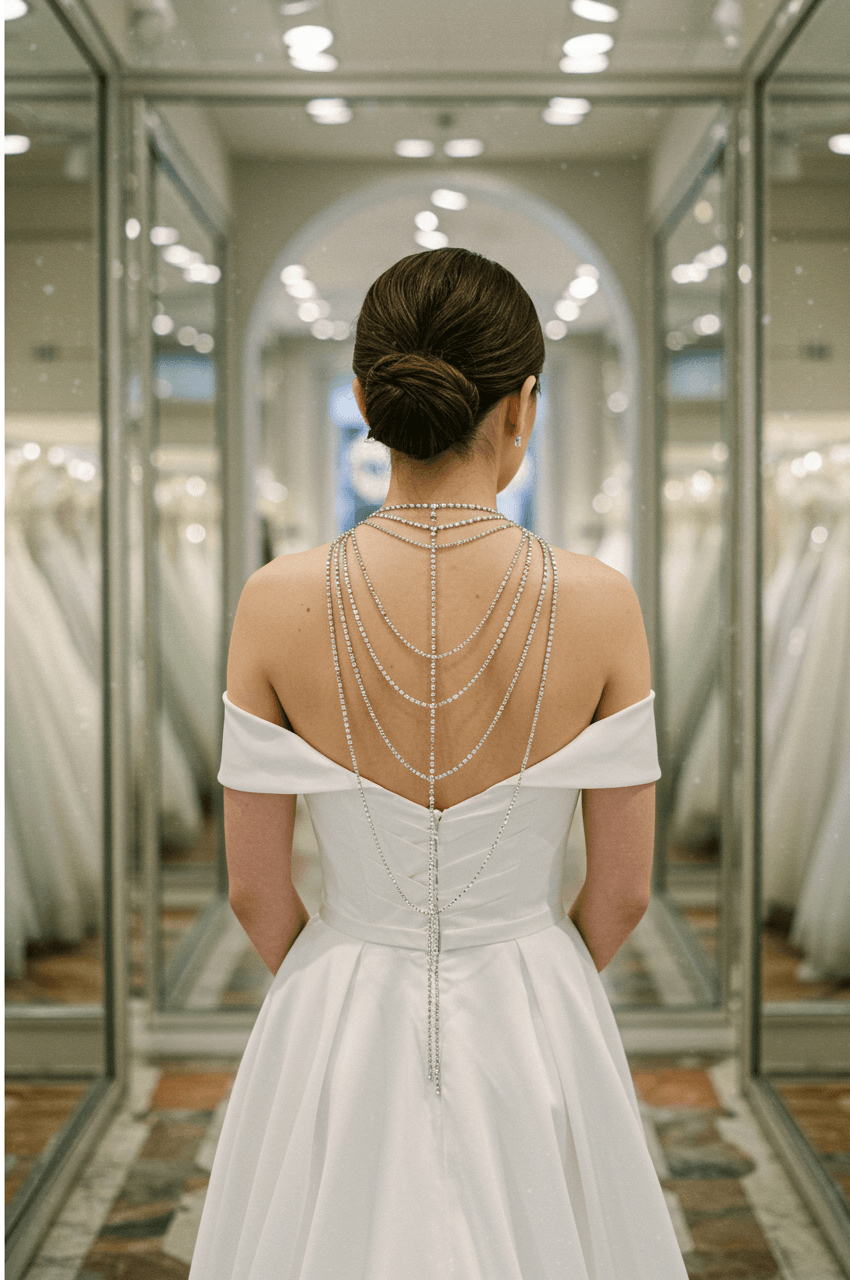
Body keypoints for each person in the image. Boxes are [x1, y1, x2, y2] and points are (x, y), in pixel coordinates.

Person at [189, 247, 688, 1278]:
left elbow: (253, 887)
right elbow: (624, 890)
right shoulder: (599, 601)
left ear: (367, 396)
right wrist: (525, 974)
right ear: (523, 407)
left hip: (333, 998)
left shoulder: (276, 596)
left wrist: (349, 974)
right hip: (534, 995)